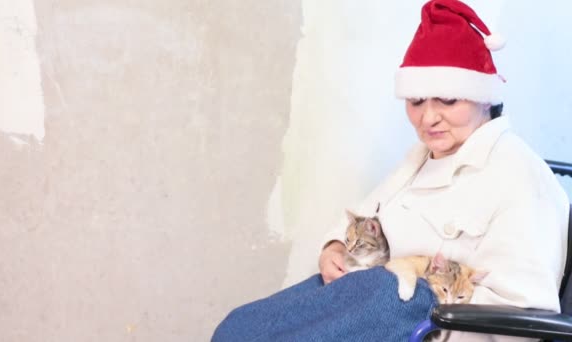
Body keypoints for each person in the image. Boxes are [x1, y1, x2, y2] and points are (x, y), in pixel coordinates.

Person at [213, 1, 570, 341]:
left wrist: (426, 321)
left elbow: (522, 319)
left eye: (447, 99)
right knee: (236, 330)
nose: (428, 118)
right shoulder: (421, 157)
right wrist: (334, 249)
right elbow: (365, 215)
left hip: (420, 320)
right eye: (416, 102)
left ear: (484, 96)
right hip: (370, 290)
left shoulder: (520, 177)